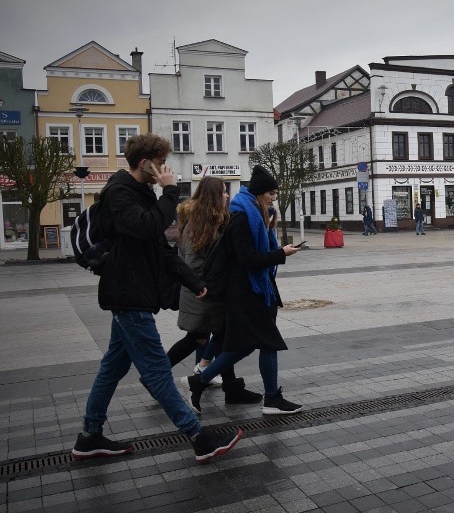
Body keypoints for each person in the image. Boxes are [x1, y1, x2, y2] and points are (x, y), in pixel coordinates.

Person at [71, 134, 242, 464]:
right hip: (128, 295)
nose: (166, 168)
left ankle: (90, 437)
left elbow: (162, 249)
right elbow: (147, 228)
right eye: (161, 162)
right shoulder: (120, 192)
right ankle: (199, 437)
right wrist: (169, 191)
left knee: (112, 368)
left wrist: (193, 281)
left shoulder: (141, 194)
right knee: (157, 372)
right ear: (144, 163)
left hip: (133, 295)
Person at [186, 165, 303, 415]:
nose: (274, 198)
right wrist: (281, 253)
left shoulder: (254, 215)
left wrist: (277, 251)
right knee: (268, 342)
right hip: (247, 292)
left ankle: (199, 381)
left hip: (255, 291)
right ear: (259, 193)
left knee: (247, 346)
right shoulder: (242, 217)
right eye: (271, 193)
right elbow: (248, 259)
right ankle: (271, 399)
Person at [163, 176, 261, 406]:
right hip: (203, 294)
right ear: (214, 196)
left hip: (202, 292)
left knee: (216, 336)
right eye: (223, 192)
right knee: (205, 337)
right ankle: (156, 376)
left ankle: (231, 388)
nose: (227, 195)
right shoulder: (203, 223)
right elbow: (194, 263)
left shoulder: (205, 220)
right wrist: (207, 286)